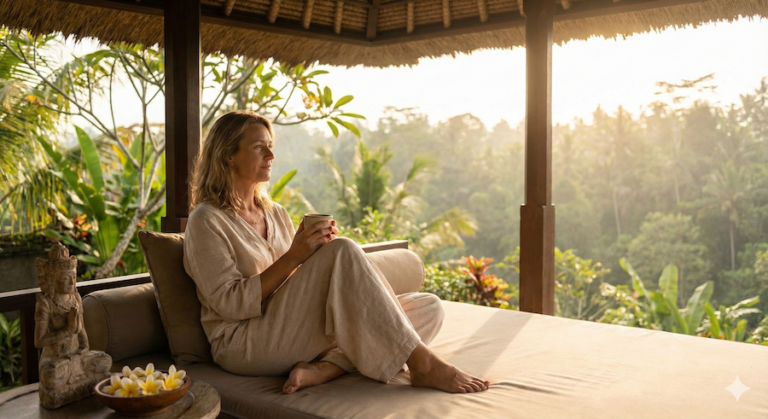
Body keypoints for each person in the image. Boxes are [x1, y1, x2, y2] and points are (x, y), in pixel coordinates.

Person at [183, 110, 490, 394]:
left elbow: (292, 285)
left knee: (428, 307)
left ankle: (327, 369)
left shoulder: (275, 213)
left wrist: (312, 254)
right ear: (229, 156)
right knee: (344, 251)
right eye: (258, 147)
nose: (271, 155)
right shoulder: (207, 220)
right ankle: (423, 364)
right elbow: (230, 304)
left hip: (290, 327)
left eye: (271, 146)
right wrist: (296, 256)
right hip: (244, 342)